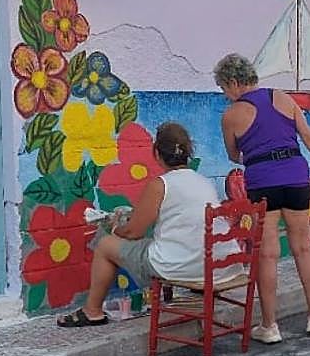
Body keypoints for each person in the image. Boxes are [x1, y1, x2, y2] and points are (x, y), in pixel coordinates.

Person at [57, 123, 236, 327]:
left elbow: (134, 232)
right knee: (166, 240)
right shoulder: (204, 181)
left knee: (106, 246)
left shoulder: (160, 184)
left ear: (157, 154)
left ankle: (92, 311)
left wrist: (115, 227)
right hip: (220, 266)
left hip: (185, 267)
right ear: (188, 154)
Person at [214, 53, 310, 342]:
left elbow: (234, 155)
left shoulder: (231, 115)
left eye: (225, 89)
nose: (226, 96)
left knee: (267, 254)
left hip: (262, 182)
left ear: (234, 82)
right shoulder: (283, 98)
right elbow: (309, 138)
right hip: (296, 177)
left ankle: (269, 327)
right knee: (303, 249)